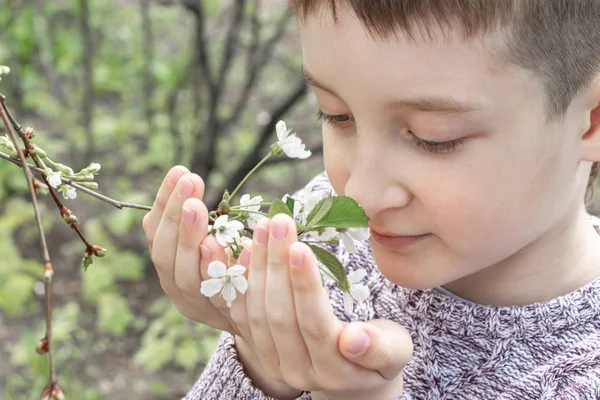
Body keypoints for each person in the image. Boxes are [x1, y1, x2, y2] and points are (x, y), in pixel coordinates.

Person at [142, 1, 600, 399]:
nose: (358, 193)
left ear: (591, 121)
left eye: (432, 139)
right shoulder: (321, 229)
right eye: (336, 114)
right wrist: (263, 365)